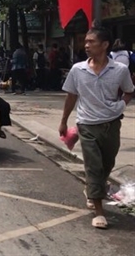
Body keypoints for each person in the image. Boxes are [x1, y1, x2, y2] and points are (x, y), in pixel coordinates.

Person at [59, 27, 134, 229]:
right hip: (87, 124)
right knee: (94, 166)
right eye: (85, 41)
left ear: (105, 45)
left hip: (111, 124)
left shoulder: (120, 70)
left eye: (91, 41)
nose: (86, 45)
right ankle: (99, 211)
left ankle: (93, 189)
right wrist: (64, 120)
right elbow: (71, 96)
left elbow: (129, 91)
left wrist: (121, 105)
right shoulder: (77, 70)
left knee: (107, 164)